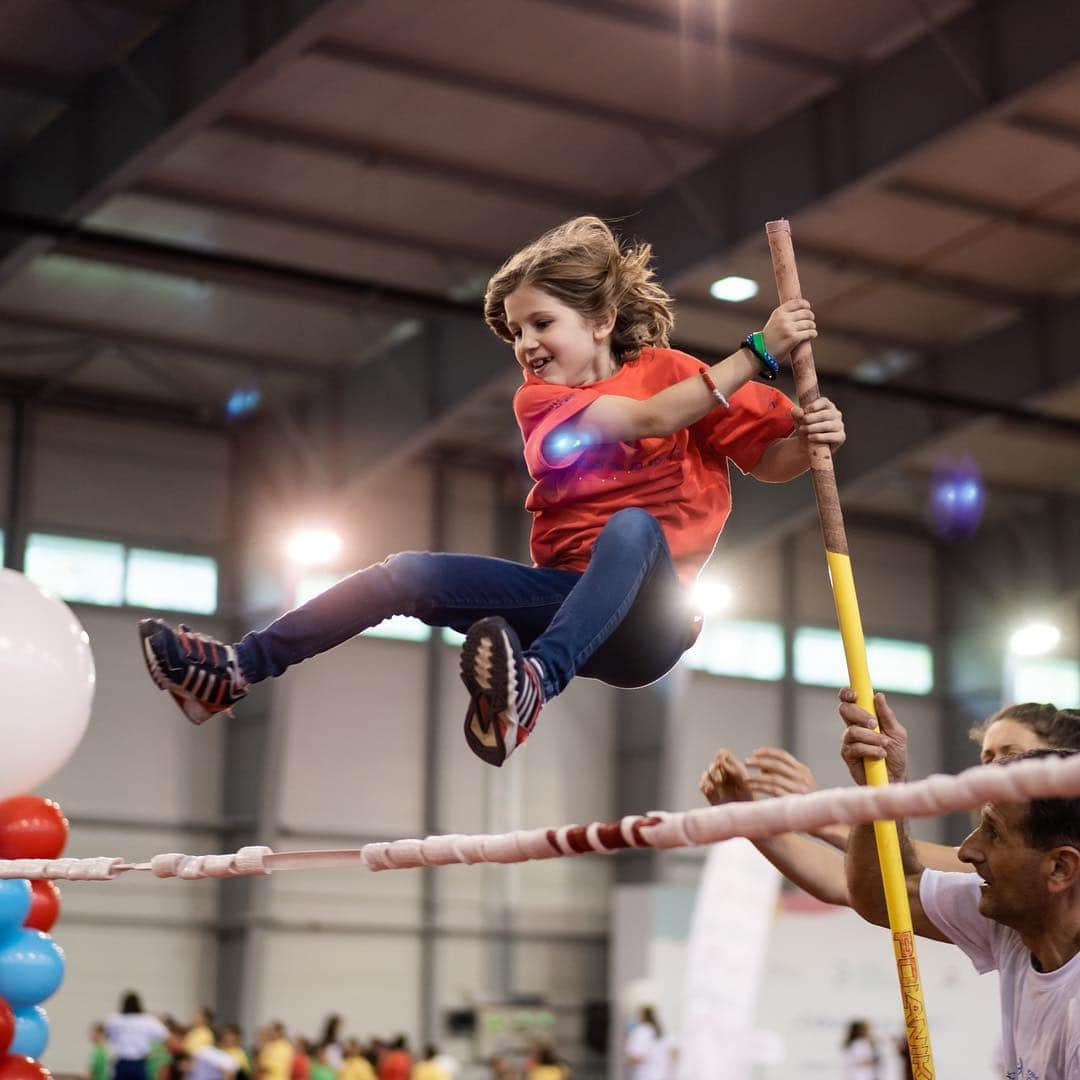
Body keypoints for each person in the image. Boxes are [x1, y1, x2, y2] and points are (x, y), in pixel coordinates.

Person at [139, 215, 842, 767]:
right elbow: (652, 419)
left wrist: (808, 445)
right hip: (571, 605)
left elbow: (767, 460)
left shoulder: (676, 373)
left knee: (633, 529)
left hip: (652, 624)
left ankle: (531, 686)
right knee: (406, 574)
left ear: (599, 320)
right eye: (514, 332)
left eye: (542, 323)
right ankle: (235, 670)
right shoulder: (542, 403)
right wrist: (759, 350)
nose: (526, 344)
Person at [841, 694, 1080, 1077]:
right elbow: (884, 895)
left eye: (993, 833)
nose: (967, 851)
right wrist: (881, 786)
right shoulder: (1018, 917)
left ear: (1060, 869)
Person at [699, 699, 1080, 905]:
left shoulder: (1047, 880)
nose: (993, 772)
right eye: (986, 758)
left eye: (1010, 755)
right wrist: (750, 820)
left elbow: (903, 866)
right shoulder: (1000, 894)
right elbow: (857, 883)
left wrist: (821, 815)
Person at [105, 991, 170, 1080]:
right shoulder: (147, 1020)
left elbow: (108, 1035)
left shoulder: (115, 1019)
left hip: (122, 1062)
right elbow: (165, 1035)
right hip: (139, 1063)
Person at [624, 1006, 672, 1080]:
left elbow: (637, 1057)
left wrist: (628, 1062)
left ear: (642, 1016)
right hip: (661, 1075)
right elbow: (673, 1051)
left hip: (645, 1075)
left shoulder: (641, 1032)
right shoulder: (661, 1032)